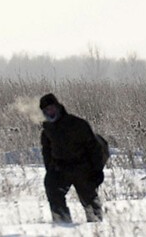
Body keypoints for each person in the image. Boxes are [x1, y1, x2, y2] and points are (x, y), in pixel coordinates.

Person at [39, 93, 105, 223]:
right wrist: (51, 171)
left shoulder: (78, 124)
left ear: (58, 107)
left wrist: (97, 171)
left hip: (82, 168)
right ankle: (63, 226)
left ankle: (97, 227)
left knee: (89, 200)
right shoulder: (47, 130)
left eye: (52, 108)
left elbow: (94, 148)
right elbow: (47, 153)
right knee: (53, 190)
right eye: (46, 110)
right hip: (60, 169)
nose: (50, 112)